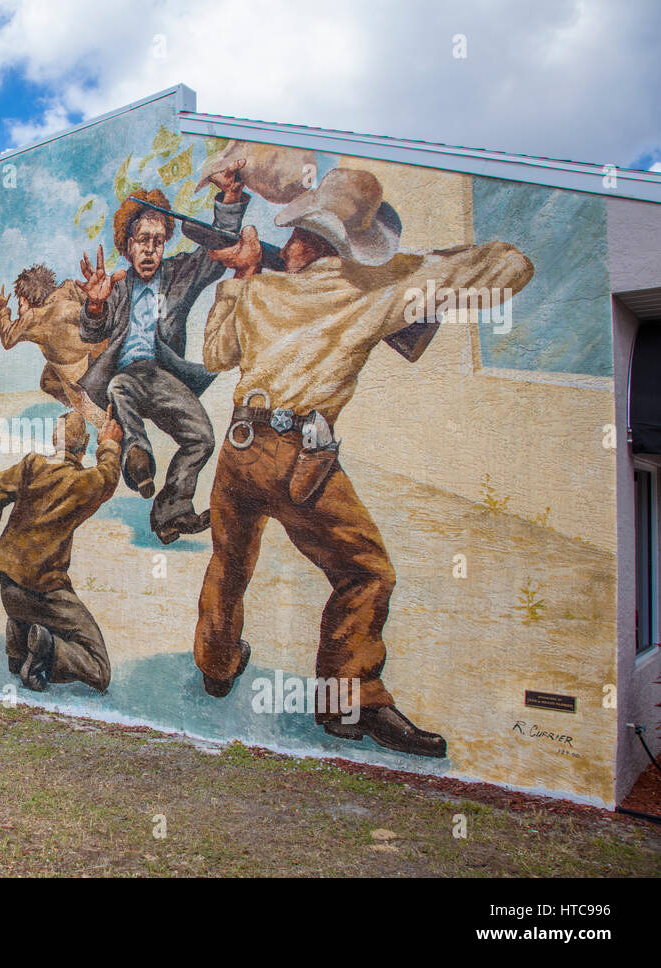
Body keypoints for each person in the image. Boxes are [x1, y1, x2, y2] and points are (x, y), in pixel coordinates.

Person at [193, 166, 534, 758]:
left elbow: (215, 352)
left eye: (297, 236)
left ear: (302, 240)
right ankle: (349, 703)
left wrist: (241, 278)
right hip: (301, 458)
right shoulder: (381, 287)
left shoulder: (262, 289)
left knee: (230, 561)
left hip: (240, 450)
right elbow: (511, 268)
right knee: (366, 573)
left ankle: (218, 668)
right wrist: (420, 265)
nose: (291, 246)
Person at [75, 162, 251, 544]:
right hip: (127, 376)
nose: (150, 249)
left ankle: (172, 512)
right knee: (120, 386)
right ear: (128, 245)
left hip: (164, 376)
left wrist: (230, 199)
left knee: (202, 436)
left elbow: (217, 248)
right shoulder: (116, 287)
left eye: (157, 240)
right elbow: (93, 333)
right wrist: (94, 305)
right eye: (142, 240)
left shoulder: (180, 273)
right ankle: (137, 456)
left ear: (166, 243)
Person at [0, 409, 123, 693]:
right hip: (44, 591)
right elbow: (108, 477)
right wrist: (109, 444)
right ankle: (47, 651)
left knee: (26, 608)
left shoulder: (31, 465)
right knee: (100, 669)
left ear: (54, 438)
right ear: (85, 442)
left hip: (9, 589)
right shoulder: (81, 483)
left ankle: (19, 646)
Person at [0, 266, 106, 410]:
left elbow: (8, 339)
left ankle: (78, 408)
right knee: (48, 379)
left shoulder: (34, 318)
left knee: (49, 384)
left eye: (20, 304)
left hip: (76, 371)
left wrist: (2, 309)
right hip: (95, 355)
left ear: (23, 300)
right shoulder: (68, 288)